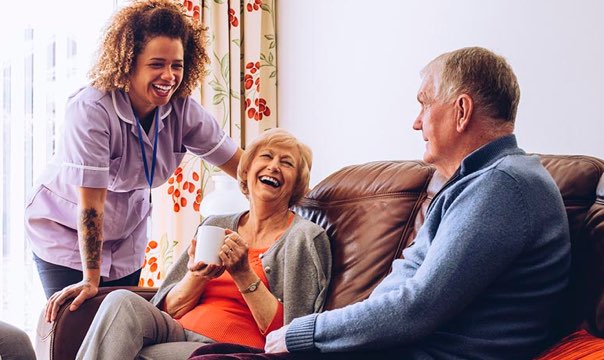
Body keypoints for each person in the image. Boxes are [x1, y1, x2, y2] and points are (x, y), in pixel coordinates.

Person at [259, 47, 570, 359]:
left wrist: (305, 332)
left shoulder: (504, 185)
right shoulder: (475, 182)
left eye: (425, 104)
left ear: (461, 111)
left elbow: (416, 307)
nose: (416, 122)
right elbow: (401, 288)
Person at [25, 0, 243, 320]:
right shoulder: (92, 109)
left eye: (177, 65)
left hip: (126, 239)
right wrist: (91, 278)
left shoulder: (183, 110)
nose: (168, 76)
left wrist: (291, 200)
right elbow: (91, 205)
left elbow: (243, 166)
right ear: (129, 62)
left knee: (117, 330)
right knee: (76, 328)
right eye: (156, 64)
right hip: (67, 233)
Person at [75, 128, 332, 359]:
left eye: (286, 163)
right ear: (247, 169)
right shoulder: (216, 224)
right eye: (266, 157)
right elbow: (168, 308)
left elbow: (293, 334)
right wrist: (196, 276)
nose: (274, 166)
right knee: (121, 301)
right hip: (176, 332)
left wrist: (243, 273)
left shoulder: (304, 237)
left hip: (228, 349)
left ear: (297, 183)